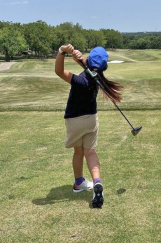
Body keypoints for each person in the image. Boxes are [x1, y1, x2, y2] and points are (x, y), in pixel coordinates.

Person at [55, 44, 122, 208]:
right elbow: (89, 67)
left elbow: (58, 71)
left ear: (89, 60)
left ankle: (79, 183)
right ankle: (96, 181)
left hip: (74, 120)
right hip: (91, 119)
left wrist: (62, 51)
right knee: (90, 152)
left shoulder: (79, 80)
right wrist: (77, 57)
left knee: (78, 152)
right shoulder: (98, 78)